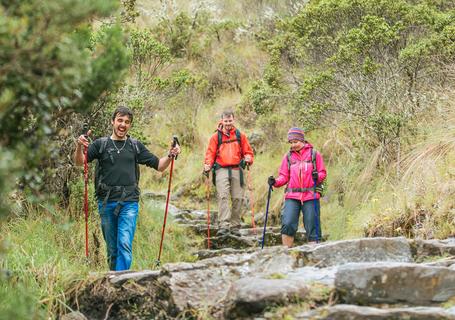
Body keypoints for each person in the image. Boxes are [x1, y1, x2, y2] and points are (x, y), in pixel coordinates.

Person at [73, 106, 180, 271]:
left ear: (130, 125)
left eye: (127, 122)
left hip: (129, 202)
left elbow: (159, 165)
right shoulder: (100, 145)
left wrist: (171, 155)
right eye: (120, 120)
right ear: (113, 122)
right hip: (106, 202)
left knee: (124, 243)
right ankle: (115, 278)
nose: (123, 125)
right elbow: (80, 162)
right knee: (112, 249)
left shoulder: (135, 146)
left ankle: (121, 280)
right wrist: (80, 146)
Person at [268, 127, 327, 247]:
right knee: (288, 223)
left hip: (311, 195)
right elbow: (283, 176)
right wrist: (274, 182)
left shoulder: (314, 154)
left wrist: (317, 176)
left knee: (312, 225)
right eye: (291, 142)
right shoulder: (288, 157)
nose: (293, 145)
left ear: (302, 140)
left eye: (296, 142)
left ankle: (314, 255)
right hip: (292, 195)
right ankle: (287, 255)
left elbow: (323, 173)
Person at [204, 110, 254, 235]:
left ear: (233, 120)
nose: (228, 123)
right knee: (223, 196)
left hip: (238, 169)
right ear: (221, 121)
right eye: (225, 121)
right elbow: (210, 153)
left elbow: (248, 151)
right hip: (221, 169)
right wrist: (208, 165)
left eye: (230, 120)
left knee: (238, 198)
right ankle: (224, 226)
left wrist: (248, 158)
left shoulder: (240, 135)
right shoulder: (216, 137)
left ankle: (235, 225)